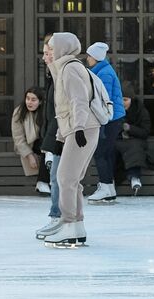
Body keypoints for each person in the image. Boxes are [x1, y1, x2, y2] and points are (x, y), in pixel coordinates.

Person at [43, 32, 100, 246]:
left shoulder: (70, 68)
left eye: (51, 46)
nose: (48, 51)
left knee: (65, 178)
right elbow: (63, 105)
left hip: (83, 128)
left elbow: (78, 101)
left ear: (62, 47)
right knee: (71, 179)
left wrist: (77, 128)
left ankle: (69, 224)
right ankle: (76, 226)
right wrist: (61, 134)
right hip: (79, 129)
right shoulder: (65, 68)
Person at [85, 41, 126, 203]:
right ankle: (108, 186)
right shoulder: (101, 71)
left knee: (101, 152)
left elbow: (103, 99)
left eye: (89, 56)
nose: (87, 59)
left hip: (109, 119)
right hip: (111, 118)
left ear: (95, 57)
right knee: (105, 152)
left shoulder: (104, 73)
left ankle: (105, 185)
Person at [36, 33, 63, 240]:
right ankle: (60, 217)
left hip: (65, 136)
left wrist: (50, 142)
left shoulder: (64, 74)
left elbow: (62, 113)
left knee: (61, 179)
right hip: (58, 135)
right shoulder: (54, 75)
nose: (44, 57)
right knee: (59, 179)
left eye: (48, 52)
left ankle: (61, 218)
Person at [11, 86, 50, 195]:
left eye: (33, 100)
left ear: (40, 102)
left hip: (43, 144)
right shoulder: (19, 112)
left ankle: (42, 182)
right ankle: (42, 182)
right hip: (29, 145)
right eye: (27, 98)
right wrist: (29, 155)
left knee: (48, 148)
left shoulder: (45, 112)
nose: (29, 102)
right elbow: (18, 138)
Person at [115, 83, 152, 194]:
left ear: (131, 99)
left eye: (125, 100)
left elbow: (145, 131)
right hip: (119, 142)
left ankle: (134, 176)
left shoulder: (140, 110)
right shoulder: (115, 111)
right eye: (120, 99)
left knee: (135, 148)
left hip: (136, 141)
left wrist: (130, 128)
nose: (123, 103)